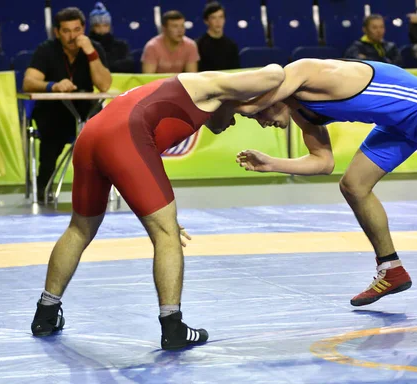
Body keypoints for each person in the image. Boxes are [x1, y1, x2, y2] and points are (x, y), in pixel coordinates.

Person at [30, 64, 286, 350]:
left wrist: (159, 211)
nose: (234, 122)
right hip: (124, 136)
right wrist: (253, 105)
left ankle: (46, 314)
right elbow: (276, 73)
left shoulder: (193, 97)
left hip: (91, 136)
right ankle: (173, 327)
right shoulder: (212, 84)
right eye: (238, 116)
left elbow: (141, 153)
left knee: (79, 228)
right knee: (166, 235)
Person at [234, 58, 417, 320]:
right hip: (396, 125)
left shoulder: (304, 70)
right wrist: (271, 163)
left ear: (270, 96)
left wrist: (226, 101)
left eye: (259, 114)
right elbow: (324, 162)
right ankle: (391, 269)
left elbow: (256, 97)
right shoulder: (302, 113)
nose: (262, 122)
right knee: (353, 186)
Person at [23, 7, 112, 203]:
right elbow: (28, 82)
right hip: (54, 112)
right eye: (66, 31)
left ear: (84, 29)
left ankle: (101, 191)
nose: (73, 36)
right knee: (51, 136)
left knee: (105, 133)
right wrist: (52, 85)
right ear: (57, 32)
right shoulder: (46, 50)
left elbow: (104, 85)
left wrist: (90, 53)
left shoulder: (94, 48)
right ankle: (43, 188)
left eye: (77, 30)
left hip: (86, 111)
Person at [88, 2, 135, 73]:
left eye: (105, 25)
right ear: (92, 27)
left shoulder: (121, 46)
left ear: (110, 27)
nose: (102, 29)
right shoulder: (87, 46)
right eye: (97, 26)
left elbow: (129, 64)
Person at [196, 1, 240, 71]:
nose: (218, 21)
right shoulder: (198, 45)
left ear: (224, 20)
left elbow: (235, 71)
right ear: (206, 21)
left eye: (221, 17)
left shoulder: (231, 45)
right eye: (213, 18)